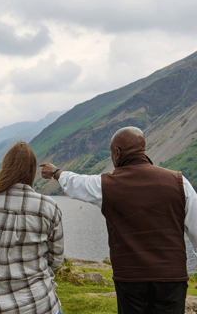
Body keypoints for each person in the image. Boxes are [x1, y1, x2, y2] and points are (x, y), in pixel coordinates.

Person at [40, 126, 197, 314]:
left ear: (117, 153)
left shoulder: (107, 185)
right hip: (172, 278)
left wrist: (56, 172)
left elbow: (78, 183)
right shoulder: (179, 182)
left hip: (130, 279)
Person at [0, 141, 64, 314]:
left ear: (5, 168)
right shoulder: (48, 206)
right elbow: (56, 259)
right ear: (32, 171)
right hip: (39, 305)